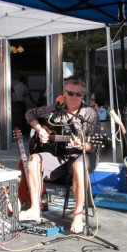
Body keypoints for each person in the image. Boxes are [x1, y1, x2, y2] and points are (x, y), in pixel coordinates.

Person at [20, 75, 101, 234]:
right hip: (58, 155)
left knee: (78, 165)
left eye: (78, 94)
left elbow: (95, 145)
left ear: (83, 95)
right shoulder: (55, 110)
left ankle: (78, 216)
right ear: (64, 93)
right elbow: (30, 114)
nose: (74, 97)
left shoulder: (89, 113)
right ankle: (35, 209)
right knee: (33, 160)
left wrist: (82, 145)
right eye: (70, 93)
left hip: (82, 155)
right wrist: (40, 130)